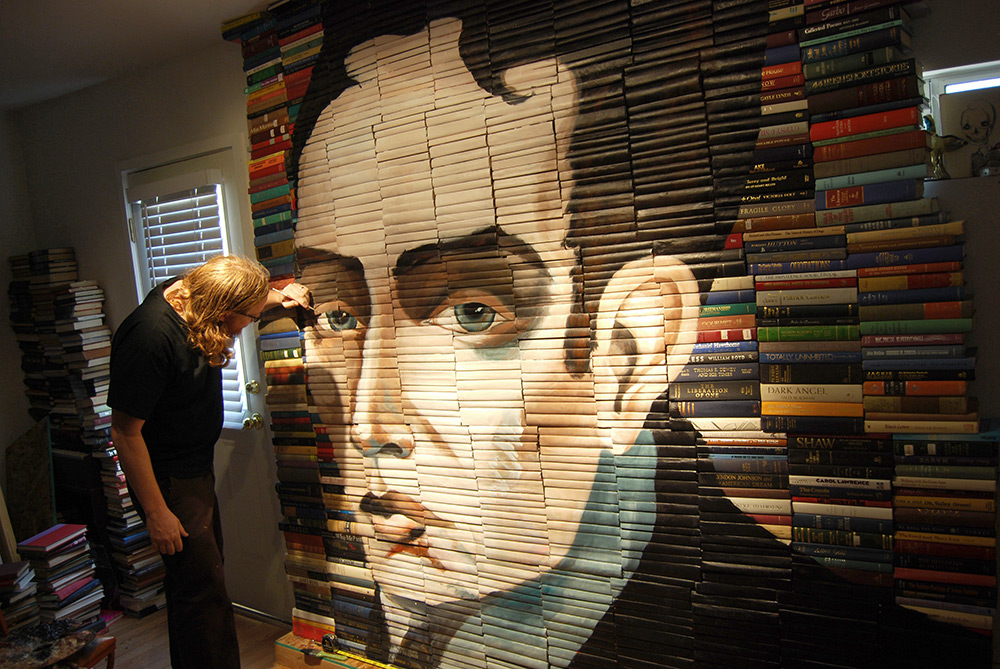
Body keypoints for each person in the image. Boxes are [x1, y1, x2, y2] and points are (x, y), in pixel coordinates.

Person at [286, 3, 993, 668]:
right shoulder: (362, 620)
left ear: (631, 354)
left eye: (472, 313)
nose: (368, 423)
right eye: (337, 317)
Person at [108, 254, 308, 669]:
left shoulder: (194, 293)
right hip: (169, 480)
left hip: (194, 469)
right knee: (204, 591)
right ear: (222, 309)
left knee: (192, 586)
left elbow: (242, 301)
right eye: (250, 316)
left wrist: (279, 296)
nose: (250, 324)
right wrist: (157, 513)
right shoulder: (151, 337)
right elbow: (125, 434)